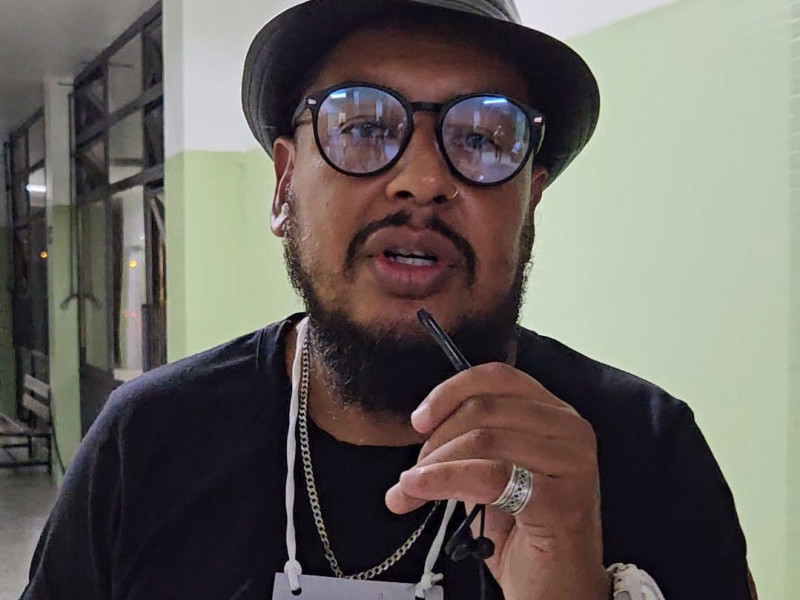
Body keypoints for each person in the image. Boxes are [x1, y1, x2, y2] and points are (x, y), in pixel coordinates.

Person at [20, 1, 756, 599]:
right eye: (364, 127)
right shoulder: (146, 445)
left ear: (530, 203)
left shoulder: (647, 452)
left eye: (483, 138)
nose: (424, 180)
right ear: (283, 187)